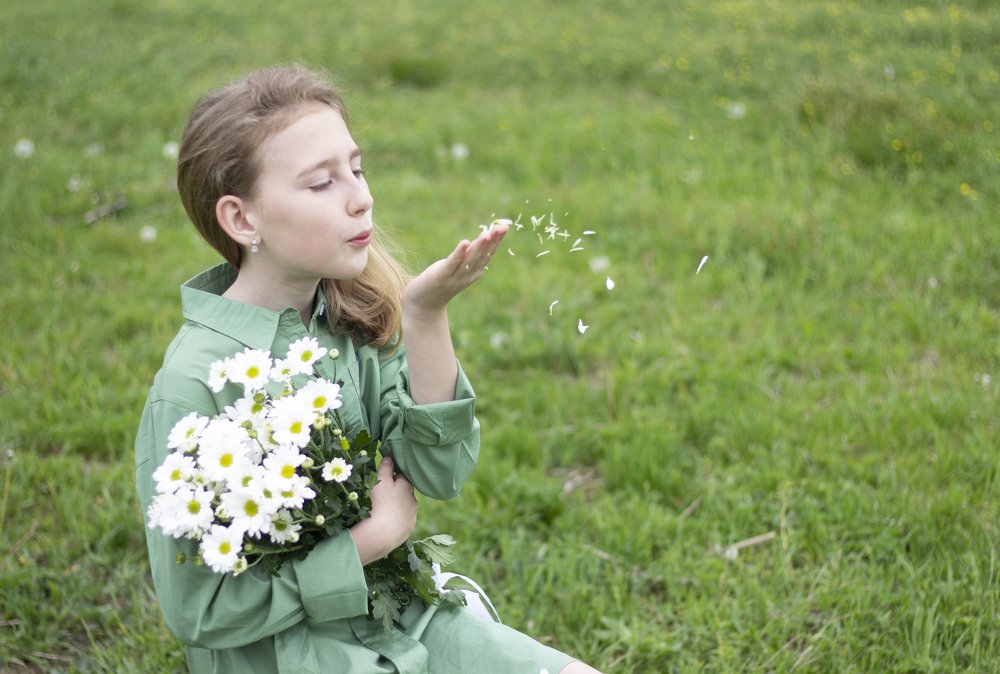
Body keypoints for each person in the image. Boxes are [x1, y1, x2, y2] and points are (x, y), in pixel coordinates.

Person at [134, 64, 603, 674]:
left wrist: (426, 316)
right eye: (321, 183)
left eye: (355, 168)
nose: (362, 196)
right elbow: (201, 612)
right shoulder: (193, 386)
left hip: (404, 619)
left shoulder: (343, 323)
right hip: (295, 655)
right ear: (243, 219)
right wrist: (370, 540)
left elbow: (438, 472)